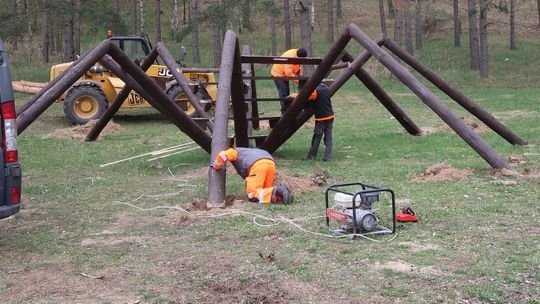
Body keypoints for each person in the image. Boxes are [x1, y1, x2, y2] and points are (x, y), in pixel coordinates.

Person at [210, 147, 293, 204]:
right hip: (271, 163)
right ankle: (282, 196)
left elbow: (223, 154)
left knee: (253, 195)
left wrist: (216, 165)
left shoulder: (235, 151)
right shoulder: (248, 151)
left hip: (257, 165)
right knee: (265, 191)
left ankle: (280, 190)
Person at [289, 83, 334, 161]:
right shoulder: (326, 88)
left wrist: (292, 95)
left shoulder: (315, 92)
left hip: (321, 120)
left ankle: (311, 157)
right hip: (330, 117)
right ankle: (327, 158)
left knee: (316, 138)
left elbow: (303, 97)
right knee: (328, 138)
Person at [271, 48, 308, 114]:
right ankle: (284, 112)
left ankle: (288, 110)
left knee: (287, 92)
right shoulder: (290, 58)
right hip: (278, 73)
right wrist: (300, 81)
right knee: (283, 92)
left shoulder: (298, 54)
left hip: (284, 74)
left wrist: (301, 77)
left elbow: (297, 68)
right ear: (298, 56)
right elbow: (288, 75)